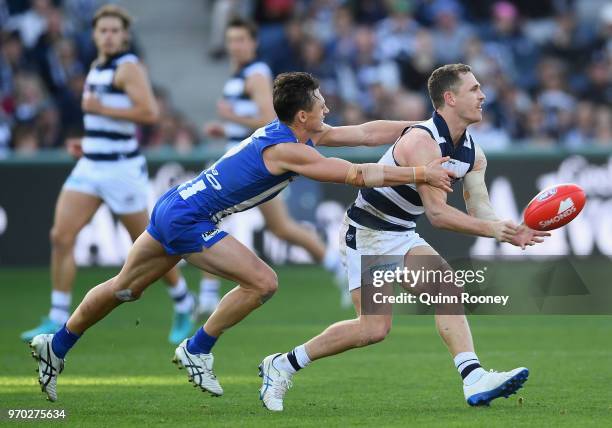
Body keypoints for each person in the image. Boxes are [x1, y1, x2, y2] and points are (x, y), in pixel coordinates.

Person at [29, 71, 455, 402]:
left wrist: (423, 128)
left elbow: (364, 133)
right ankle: (197, 347)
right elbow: (358, 174)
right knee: (263, 282)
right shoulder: (290, 149)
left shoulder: (297, 131)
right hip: (190, 219)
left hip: (174, 204)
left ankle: (58, 343)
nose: (327, 104)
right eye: (320, 101)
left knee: (125, 288)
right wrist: (421, 171)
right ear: (303, 114)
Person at [258, 64, 551, 411]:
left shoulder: (473, 151)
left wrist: (509, 228)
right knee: (377, 326)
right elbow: (438, 214)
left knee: (425, 299)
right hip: (366, 232)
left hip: (398, 231)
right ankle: (283, 364)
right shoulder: (421, 142)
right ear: (450, 97)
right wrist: (494, 231)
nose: (483, 95)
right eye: (474, 89)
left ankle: (473, 379)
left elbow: (480, 208)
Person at [20, 5, 196, 346]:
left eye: (116, 30)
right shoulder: (96, 66)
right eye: (104, 30)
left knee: (151, 245)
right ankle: (57, 316)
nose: (110, 35)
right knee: (61, 236)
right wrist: (88, 143)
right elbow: (106, 122)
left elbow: (149, 112)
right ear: (95, 35)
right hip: (91, 164)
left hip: (121, 169)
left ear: (125, 35)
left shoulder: (128, 66)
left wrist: (101, 109)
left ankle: (184, 303)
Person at [201, 17, 350, 313]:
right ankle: (338, 268)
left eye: (242, 39)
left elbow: (269, 121)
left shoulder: (255, 73)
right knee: (280, 227)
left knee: (212, 218)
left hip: (260, 163)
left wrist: (231, 118)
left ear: (254, 42)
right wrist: (226, 128)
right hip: (246, 160)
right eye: (231, 40)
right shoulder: (239, 73)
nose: (236, 46)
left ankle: (206, 296)